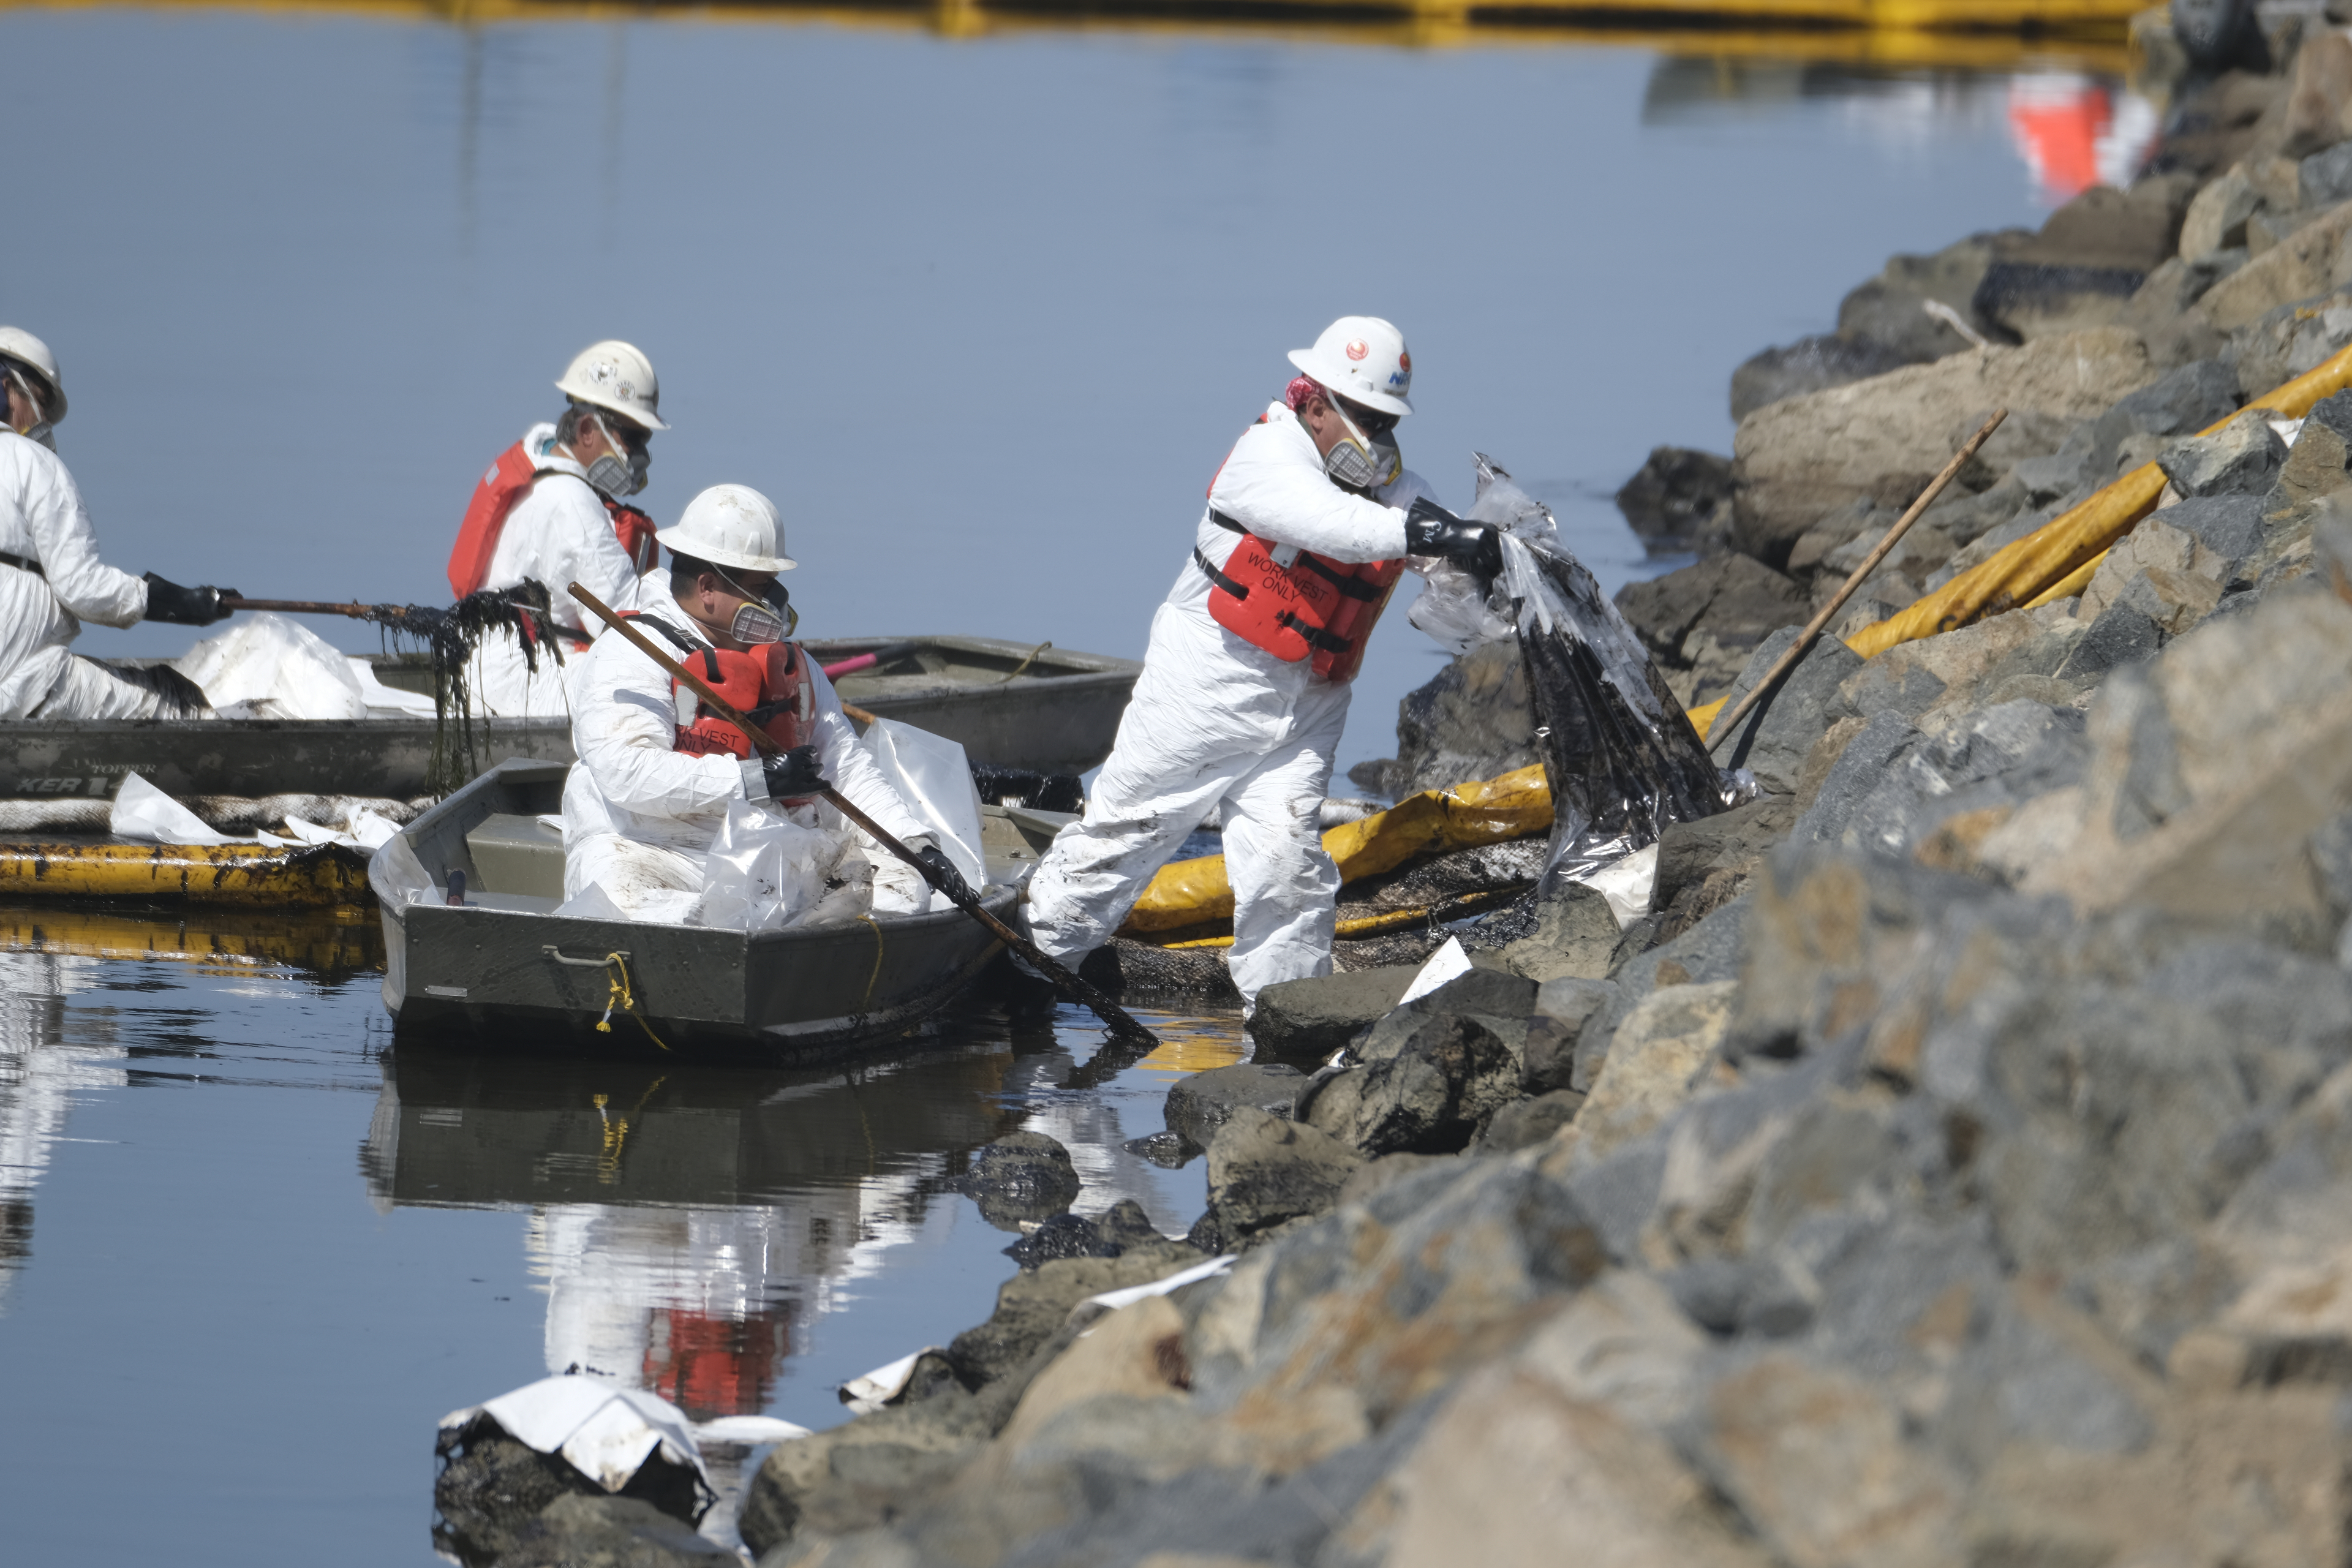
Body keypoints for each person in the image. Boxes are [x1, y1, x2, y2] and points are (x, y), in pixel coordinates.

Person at [1023, 316, 1503, 1008]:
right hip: (1207, 683)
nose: (1379, 439)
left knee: (1287, 867)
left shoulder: (1395, 490)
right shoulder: (1265, 456)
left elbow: (1436, 554)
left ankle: (1284, 1024)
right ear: (1313, 404)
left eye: (1386, 420)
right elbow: (1331, 524)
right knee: (1121, 842)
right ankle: (1028, 972)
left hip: (1308, 703)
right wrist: (1426, 530)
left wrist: (1485, 560)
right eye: (1364, 417)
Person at [560, 483, 968, 922]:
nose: (774, 605)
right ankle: (770, 936)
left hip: (771, 851)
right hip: (652, 851)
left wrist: (915, 844)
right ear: (709, 587)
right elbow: (627, 773)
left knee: (904, 889)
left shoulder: (798, 669)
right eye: (761, 588)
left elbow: (847, 769)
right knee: (623, 900)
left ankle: (787, 943)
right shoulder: (629, 652)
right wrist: (755, 781)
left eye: (775, 588)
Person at [0, 326, 235, 720]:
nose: (42, 422)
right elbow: (81, 587)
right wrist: (179, 603)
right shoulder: (34, 463)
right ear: (6, 389)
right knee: (173, 701)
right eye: (38, 402)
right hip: (23, 684)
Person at [447, 341, 669, 720]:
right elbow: (630, 627)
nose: (639, 456)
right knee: (655, 678)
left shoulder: (538, 464)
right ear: (587, 430)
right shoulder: (573, 504)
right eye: (633, 438)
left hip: (484, 669)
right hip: (524, 685)